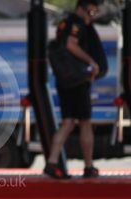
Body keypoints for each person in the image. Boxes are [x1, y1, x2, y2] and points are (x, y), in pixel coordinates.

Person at [44, 0, 102, 179]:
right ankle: (89, 166)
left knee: (68, 122)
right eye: (91, 12)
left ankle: (52, 163)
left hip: (64, 80)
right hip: (78, 80)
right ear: (82, 8)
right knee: (85, 122)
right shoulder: (76, 23)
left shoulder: (64, 22)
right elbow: (71, 44)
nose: (92, 16)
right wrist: (91, 62)